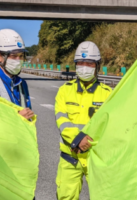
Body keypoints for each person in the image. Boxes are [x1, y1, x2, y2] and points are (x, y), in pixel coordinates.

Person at [54, 41, 112, 200]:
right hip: (70, 157)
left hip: (96, 158)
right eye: (80, 62)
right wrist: (78, 139)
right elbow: (62, 120)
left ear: (97, 66)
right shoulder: (64, 91)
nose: (84, 66)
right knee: (66, 197)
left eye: (89, 63)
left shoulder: (107, 94)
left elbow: (111, 126)